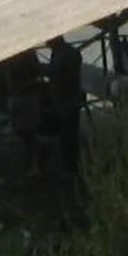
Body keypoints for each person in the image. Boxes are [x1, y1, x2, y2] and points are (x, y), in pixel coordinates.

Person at [45, 34, 85, 175]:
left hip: (66, 101)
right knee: (69, 134)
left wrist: (44, 70)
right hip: (68, 99)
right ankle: (72, 165)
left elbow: (62, 76)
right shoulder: (68, 52)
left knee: (68, 135)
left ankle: (71, 166)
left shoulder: (63, 54)